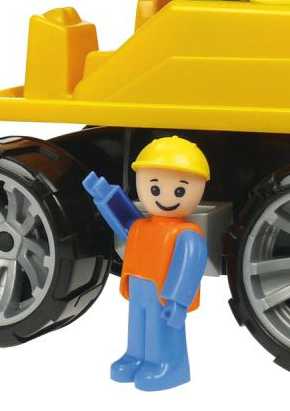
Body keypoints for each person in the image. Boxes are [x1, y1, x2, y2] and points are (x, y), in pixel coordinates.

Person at [82, 135, 210, 391]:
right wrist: (105, 197)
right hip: (139, 287)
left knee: (161, 329)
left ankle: (168, 364)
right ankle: (135, 356)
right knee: (138, 325)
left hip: (164, 294)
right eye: (154, 188)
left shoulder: (187, 235)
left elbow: (188, 269)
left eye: (179, 190)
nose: (166, 196)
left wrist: (178, 302)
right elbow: (123, 221)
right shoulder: (141, 226)